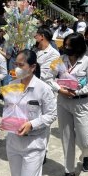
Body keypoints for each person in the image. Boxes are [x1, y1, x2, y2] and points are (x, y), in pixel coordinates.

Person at [6, 49, 57, 176]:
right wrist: (7, 121)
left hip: (34, 143)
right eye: (15, 65)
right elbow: (9, 109)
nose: (17, 68)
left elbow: (51, 115)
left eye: (21, 65)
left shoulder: (43, 89)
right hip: (13, 141)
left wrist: (32, 124)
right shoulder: (12, 84)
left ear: (32, 67)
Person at [54, 33, 88, 176]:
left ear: (78, 47)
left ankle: (86, 155)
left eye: (69, 46)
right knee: (67, 138)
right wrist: (59, 90)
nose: (66, 48)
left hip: (81, 103)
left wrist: (76, 93)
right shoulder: (60, 60)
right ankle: (69, 172)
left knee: (85, 140)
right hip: (63, 103)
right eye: (65, 45)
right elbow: (49, 78)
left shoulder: (87, 62)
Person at [34, 26, 60, 163]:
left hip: (46, 91)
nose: (34, 37)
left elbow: (51, 74)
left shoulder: (55, 54)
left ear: (42, 36)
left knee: (45, 123)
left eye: (36, 35)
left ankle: (44, 151)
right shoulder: (35, 51)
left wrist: (31, 71)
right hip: (32, 90)